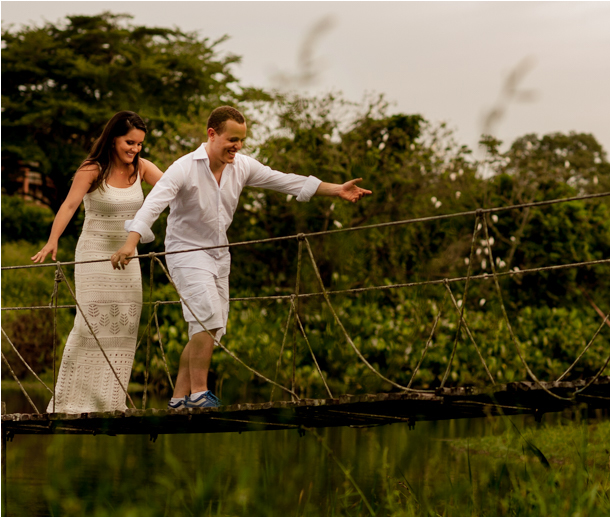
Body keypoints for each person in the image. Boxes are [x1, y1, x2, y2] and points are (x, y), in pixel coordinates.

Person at [111, 106, 371, 409]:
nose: (237, 146)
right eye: (232, 139)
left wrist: (336, 190)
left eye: (241, 140)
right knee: (206, 315)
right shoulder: (184, 168)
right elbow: (153, 205)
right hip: (185, 252)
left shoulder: (242, 166)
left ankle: (178, 399)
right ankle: (198, 395)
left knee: (210, 328)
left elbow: (285, 180)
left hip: (219, 255)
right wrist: (130, 244)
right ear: (212, 134)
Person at [31, 111, 164, 413]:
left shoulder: (142, 168)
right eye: (130, 142)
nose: (135, 149)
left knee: (125, 325)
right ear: (114, 138)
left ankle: (110, 402)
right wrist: (52, 240)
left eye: (140, 144)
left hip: (128, 257)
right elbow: (69, 205)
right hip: (94, 254)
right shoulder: (93, 169)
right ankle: (69, 403)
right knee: (89, 325)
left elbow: (173, 187)